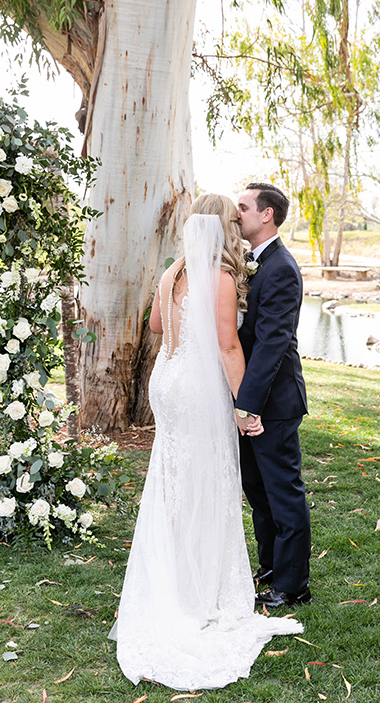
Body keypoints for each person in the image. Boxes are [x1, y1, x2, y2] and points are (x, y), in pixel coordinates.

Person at [109, 194, 303, 691]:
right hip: (197, 389)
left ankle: (178, 572)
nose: (239, 219)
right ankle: (199, 586)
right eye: (232, 215)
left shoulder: (173, 271)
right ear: (221, 228)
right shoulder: (219, 276)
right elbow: (228, 344)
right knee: (204, 479)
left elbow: (155, 325)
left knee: (174, 478)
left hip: (167, 382)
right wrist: (244, 405)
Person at [235, 183, 311, 608]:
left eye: (243, 207)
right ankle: (270, 567)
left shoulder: (280, 267)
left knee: (283, 492)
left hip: (274, 403)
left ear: (267, 215)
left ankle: (293, 585)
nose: (237, 212)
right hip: (249, 399)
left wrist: (247, 405)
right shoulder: (250, 262)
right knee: (256, 488)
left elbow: (272, 344)